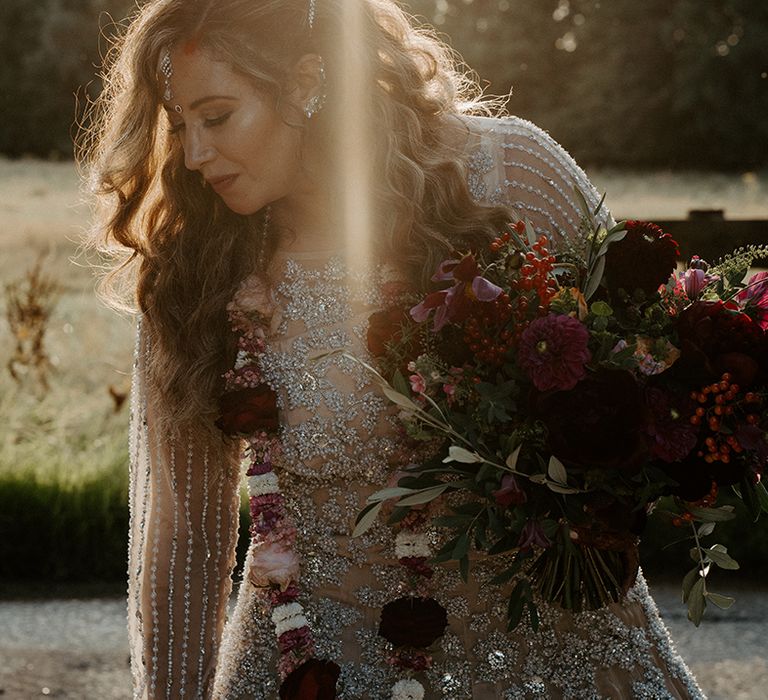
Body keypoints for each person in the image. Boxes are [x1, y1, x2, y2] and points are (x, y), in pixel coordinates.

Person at [81, 0, 706, 698]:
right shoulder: (196, 276)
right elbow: (183, 543)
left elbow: (662, 378)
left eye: (218, 116)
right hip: (312, 669)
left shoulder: (513, 175)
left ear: (307, 82)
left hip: (563, 663)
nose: (193, 155)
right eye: (179, 127)